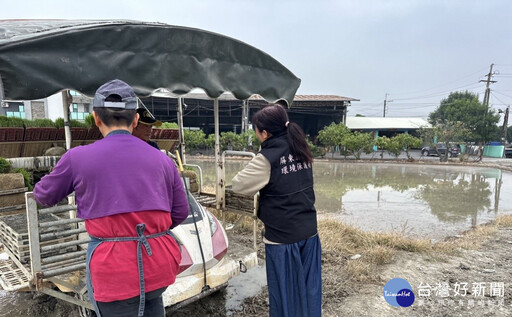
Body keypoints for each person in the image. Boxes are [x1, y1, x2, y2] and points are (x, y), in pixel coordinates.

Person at [33, 79, 189, 317]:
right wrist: (150, 229)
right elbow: (179, 211)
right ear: (135, 120)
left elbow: (44, 195)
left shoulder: (78, 158)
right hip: (159, 264)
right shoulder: (163, 160)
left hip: (114, 272)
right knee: (151, 304)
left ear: (96, 118)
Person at [231, 103, 322, 317]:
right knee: (309, 291)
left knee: (285, 295)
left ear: (264, 133)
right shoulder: (300, 147)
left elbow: (238, 185)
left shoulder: (266, 159)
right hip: (309, 233)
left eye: (256, 130)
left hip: (282, 240)